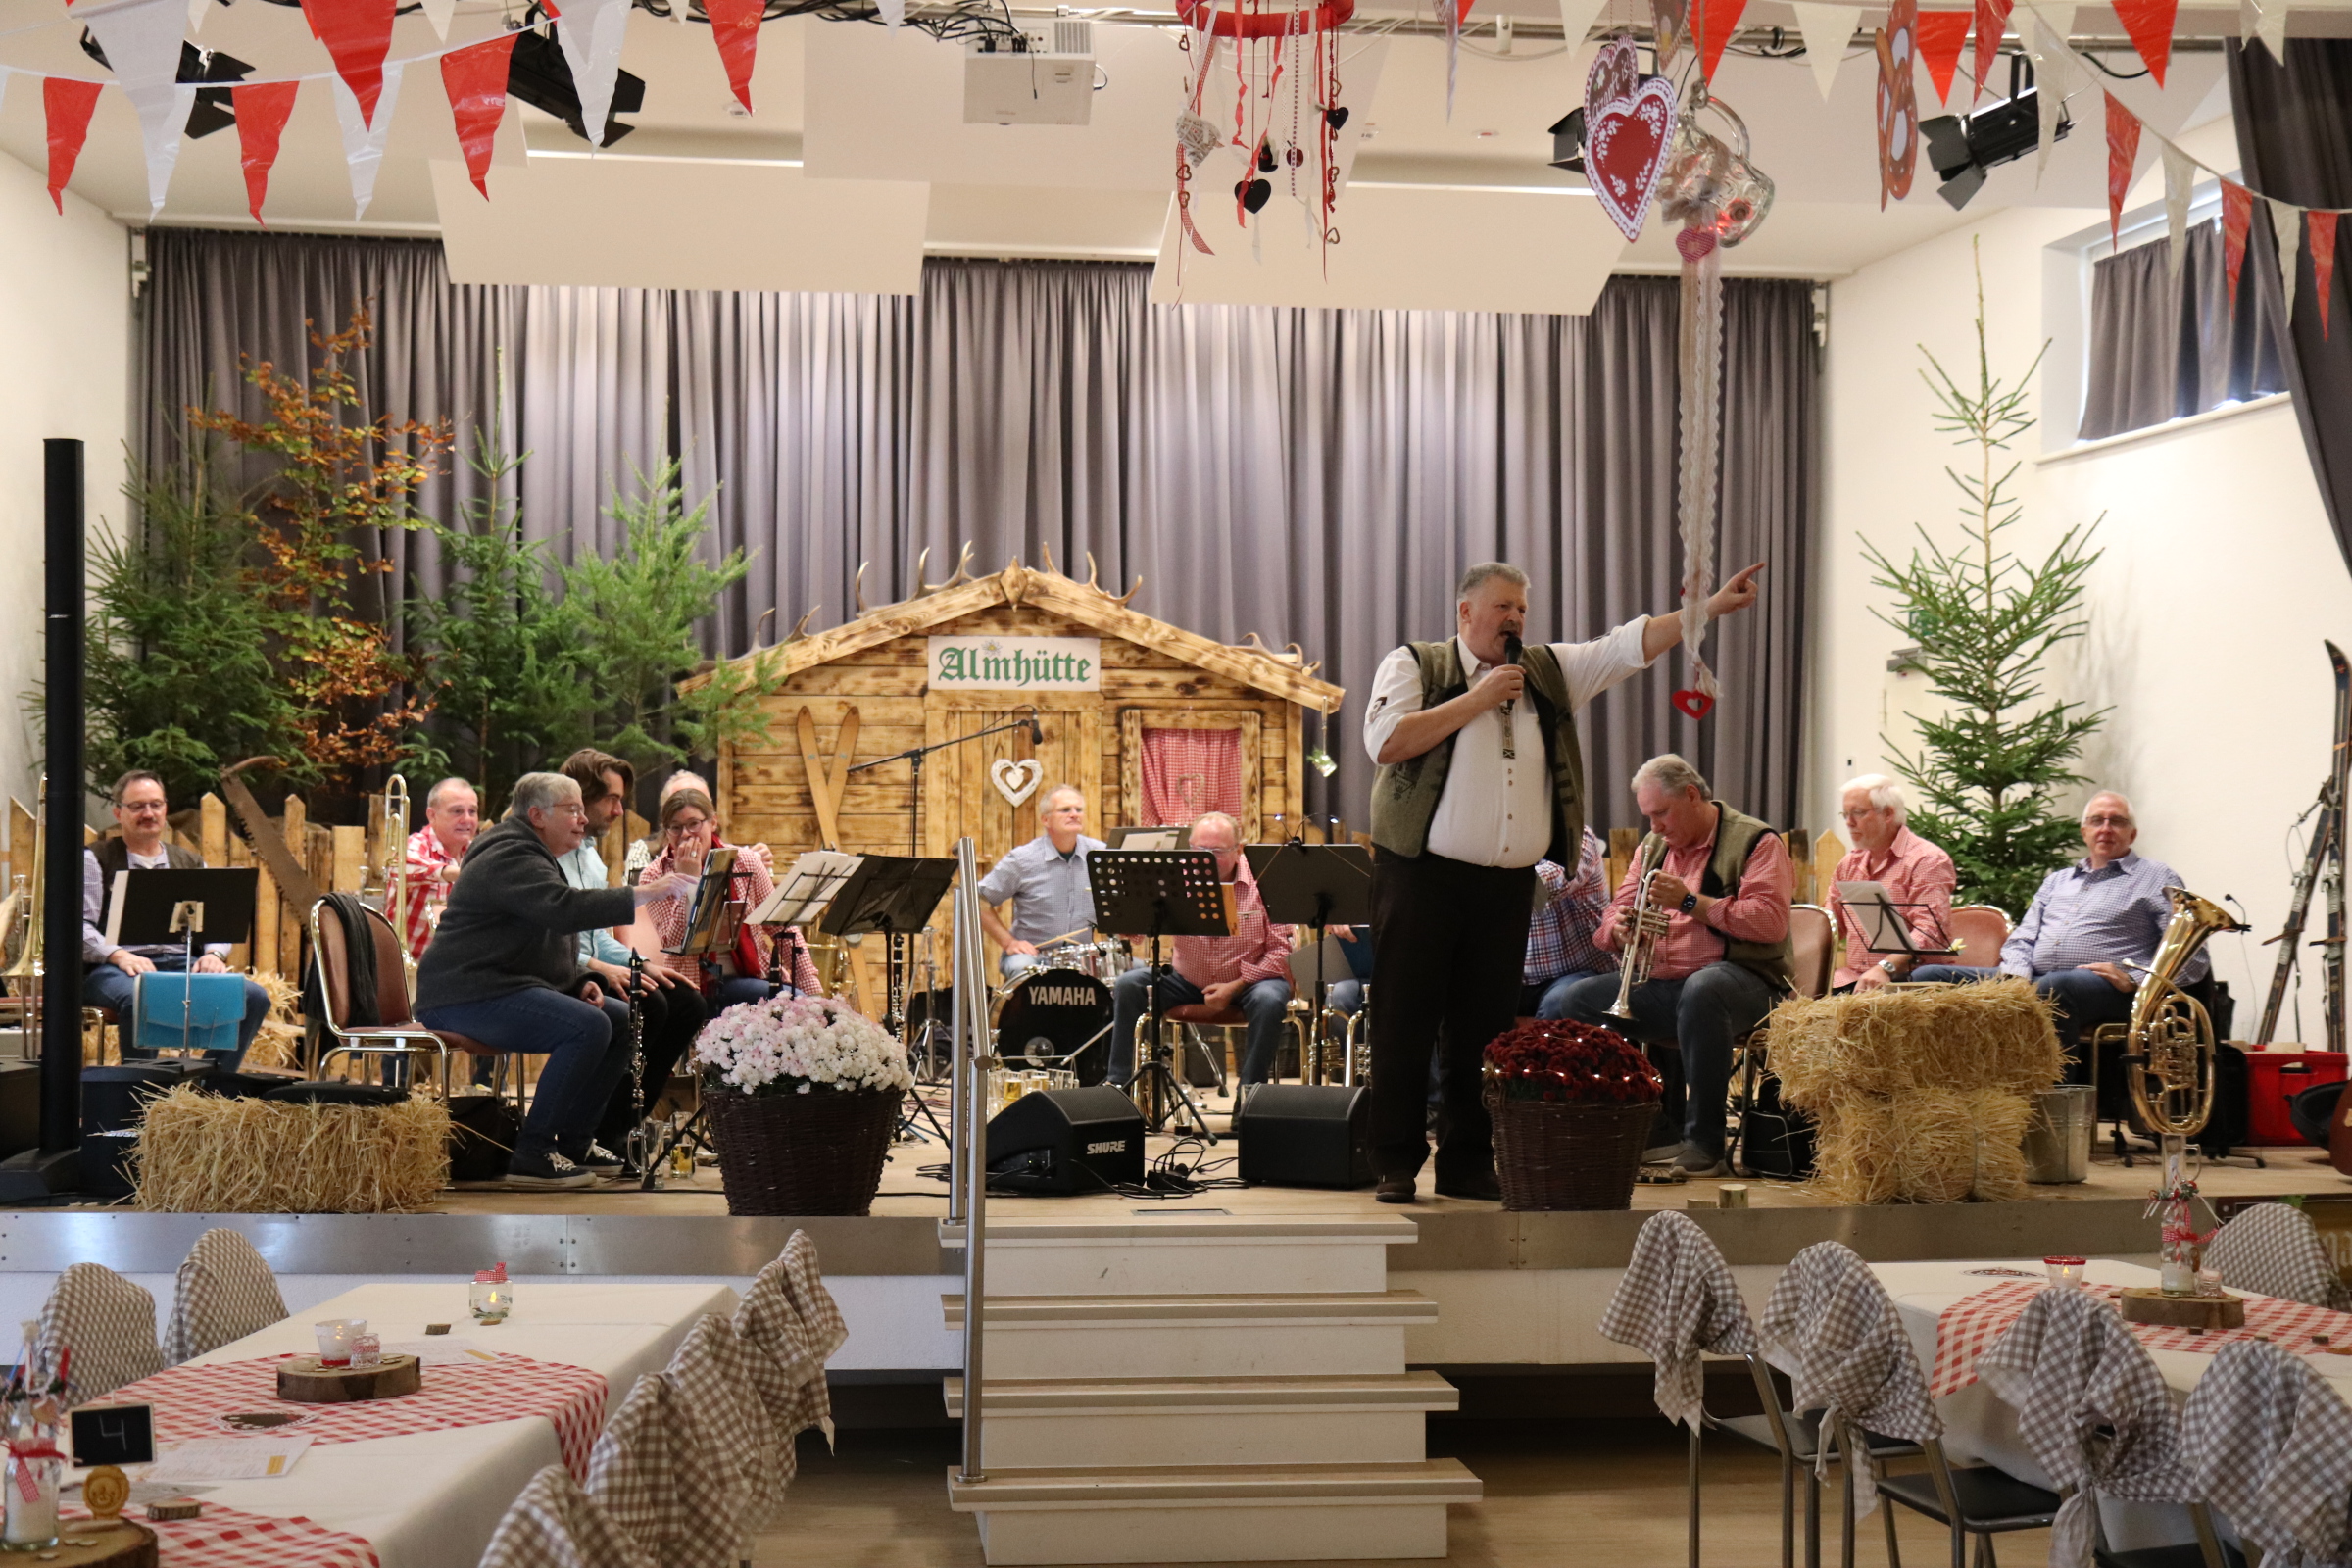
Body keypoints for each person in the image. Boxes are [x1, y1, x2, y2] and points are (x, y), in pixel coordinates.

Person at [1361, 558, 1766, 1203]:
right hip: (1420, 876)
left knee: (1483, 1030)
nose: (1515, 619)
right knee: (1403, 1022)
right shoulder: (1415, 664)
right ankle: (1395, 1162)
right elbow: (1385, 742)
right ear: (1466, 612)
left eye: (1522, 608)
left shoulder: (1546, 672)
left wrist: (1708, 609)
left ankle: (1467, 1162)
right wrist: (1479, 698)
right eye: (1502, 607)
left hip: (1504, 887)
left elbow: (1627, 646)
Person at [415, 772, 697, 1189]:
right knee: (587, 1026)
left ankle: (576, 1142)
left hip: (497, 986)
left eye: (582, 809)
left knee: (621, 1019)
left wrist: (578, 980)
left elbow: (543, 938)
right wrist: (648, 892)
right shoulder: (508, 853)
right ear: (537, 815)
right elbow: (564, 910)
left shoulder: (531, 851)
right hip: (463, 997)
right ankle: (534, 1152)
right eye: (573, 810)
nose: (583, 819)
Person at [1556, 755, 1793, 1176]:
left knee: (1705, 989)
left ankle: (1705, 1142)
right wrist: (1621, 930)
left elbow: (1770, 922)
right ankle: (1652, 1126)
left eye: (1662, 813)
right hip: (1671, 985)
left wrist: (1689, 902)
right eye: (1649, 816)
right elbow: (1611, 917)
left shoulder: (1756, 841)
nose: (1656, 827)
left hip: (1750, 984)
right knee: (1577, 1001)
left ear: (1692, 795)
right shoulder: (1652, 848)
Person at [1910, 791, 2200, 1080]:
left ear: (2132, 834)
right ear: (2084, 831)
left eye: (2117, 821)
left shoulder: (2156, 877)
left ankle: (2056, 1101)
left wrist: (2134, 979)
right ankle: (1941, 1088)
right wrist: (2016, 979)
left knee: (2054, 987)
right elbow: (2022, 940)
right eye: (2097, 821)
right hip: (2034, 979)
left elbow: (2191, 955)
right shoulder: (2057, 881)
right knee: (1927, 977)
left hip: (2110, 990)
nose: (2105, 828)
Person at [556, 749, 709, 1160]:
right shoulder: (551, 853)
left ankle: (625, 1123)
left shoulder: (589, 855)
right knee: (651, 1005)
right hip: (562, 971)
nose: (619, 811)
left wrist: (640, 964)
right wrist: (603, 968)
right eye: (612, 799)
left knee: (688, 1002)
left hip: (591, 964)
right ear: (582, 797)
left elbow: (596, 936)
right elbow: (554, 942)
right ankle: (601, 1128)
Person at [79, 770, 272, 1074]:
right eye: (137, 806)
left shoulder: (190, 862)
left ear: (165, 809)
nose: (148, 813)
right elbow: (80, 926)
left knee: (254, 997)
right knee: (141, 995)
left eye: (155, 805)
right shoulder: (96, 858)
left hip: (182, 964)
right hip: (115, 971)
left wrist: (214, 953)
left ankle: (211, 1086)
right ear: (118, 813)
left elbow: (215, 921)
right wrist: (118, 954)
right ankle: (141, 1090)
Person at [1105, 812, 1297, 1092]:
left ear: (1238, 850)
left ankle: (1249, 1095)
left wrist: (1236, 986)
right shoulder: (1175, 878)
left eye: (1216, 852)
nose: (1205, 859)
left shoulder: (1267, 881)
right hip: (1187, 981)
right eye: (1199, 850)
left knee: (1270, 999)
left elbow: (1281, 952)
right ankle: (1119, 1086)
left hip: (1250, 983)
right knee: (1128, 984)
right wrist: (1126, 921)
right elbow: (1141, 927)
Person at [638, 789, 821, 1008]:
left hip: (750, 973)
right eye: (676, 828)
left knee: (803, 1004)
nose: (686, 834)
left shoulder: (745, 862)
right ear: (667, 832)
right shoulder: (654, 875)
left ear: (713, 822)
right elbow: (673, 943)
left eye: (693, 824)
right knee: (788, 1003)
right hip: (694, 983)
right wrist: (688, 880)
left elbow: (781, 927)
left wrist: (812, 990)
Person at [1824, 774, 1956, 991]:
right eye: (1845, 814)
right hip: (1856, 979)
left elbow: (1929, 930)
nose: (1849, 822)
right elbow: (1829, 925)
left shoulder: (1927, 860)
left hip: (1912, 982)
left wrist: (1885, 968)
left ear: (1888, 814)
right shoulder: (1848, 865)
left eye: (1858, 813)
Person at [979, 786, 1105, 978]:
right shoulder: (1022, 859)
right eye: (1065, 810)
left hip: (1084, 956)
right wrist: (1009, 943)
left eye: (1079, 809)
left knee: (1135, 975)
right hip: (1034, 955)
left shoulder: (1100, 855)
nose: (1074, 814)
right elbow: (978, 901)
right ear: (1045, 820)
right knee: (1023, 970)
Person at [1524, 827, 1613, 1018]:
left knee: (1559, 1003)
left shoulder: (1577, 834)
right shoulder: (1499, 842)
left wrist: (1493, 879)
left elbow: (1556, 880)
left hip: (1578, 973)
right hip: (1520, 978)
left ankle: (1545, 1039)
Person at [402, 777, 480, 958]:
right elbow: (401, 865)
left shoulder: (477, 851)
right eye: (457, 811)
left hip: (459, 963)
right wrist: (456, 873)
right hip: (410, 965)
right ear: (432, 815)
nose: (467, 819)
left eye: (473, 812)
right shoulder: (416, 844)